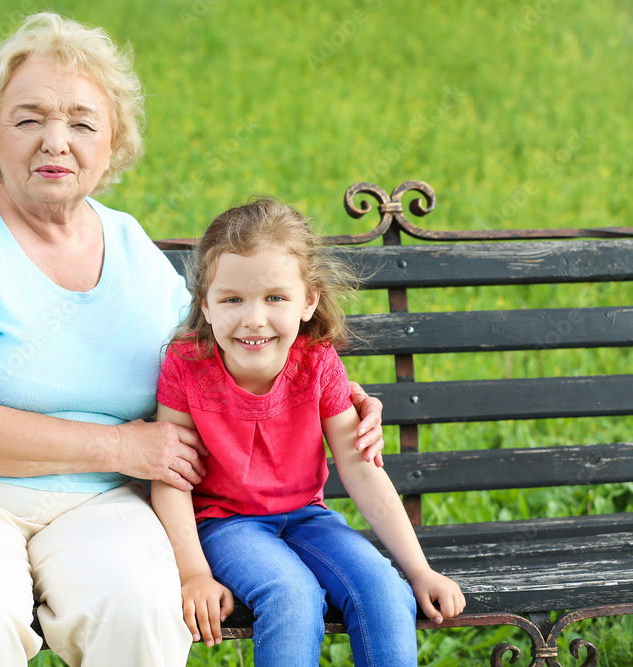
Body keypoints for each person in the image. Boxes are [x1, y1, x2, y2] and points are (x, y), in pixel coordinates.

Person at [0, 13, 386, 667]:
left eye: (81, 122)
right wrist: (124, 444)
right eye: (29, 119)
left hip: (96, 499)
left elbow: (219, 356)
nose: (56, 141)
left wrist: (327, 389)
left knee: (142, 612)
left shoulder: (130, 245)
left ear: (112, 145)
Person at [151, 197, 466, 666]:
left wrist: (419, 570)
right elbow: (169, 473)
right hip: (224, 524)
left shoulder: (317, 364)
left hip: (307, 517)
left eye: (275, 297)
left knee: (384, 590)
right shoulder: (187, 366)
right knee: (292, 595)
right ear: (206, 305)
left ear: (308, 301)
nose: (254, 318)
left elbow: (361, 471)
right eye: (232, 299)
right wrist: (193, 571)